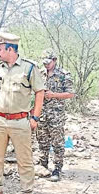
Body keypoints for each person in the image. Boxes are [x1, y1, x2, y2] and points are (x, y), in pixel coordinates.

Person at [0, 32, 45, 194]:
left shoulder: (28, 68)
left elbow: (39, 92)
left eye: (0, 49)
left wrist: (35, 117)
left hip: (20, 122)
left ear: (11, 49)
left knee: (25, 160)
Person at [36, 48, 75, 182]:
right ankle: (43, 165)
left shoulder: (63, 74)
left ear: (54, 60)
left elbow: (71, 94)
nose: (46, 65)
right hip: (41, 113)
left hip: (56, 115)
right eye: (44, 62)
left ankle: (57, 168)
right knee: (42, 141)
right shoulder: (39, 73)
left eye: (48, 62)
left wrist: (54, 95)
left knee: (57, 143)